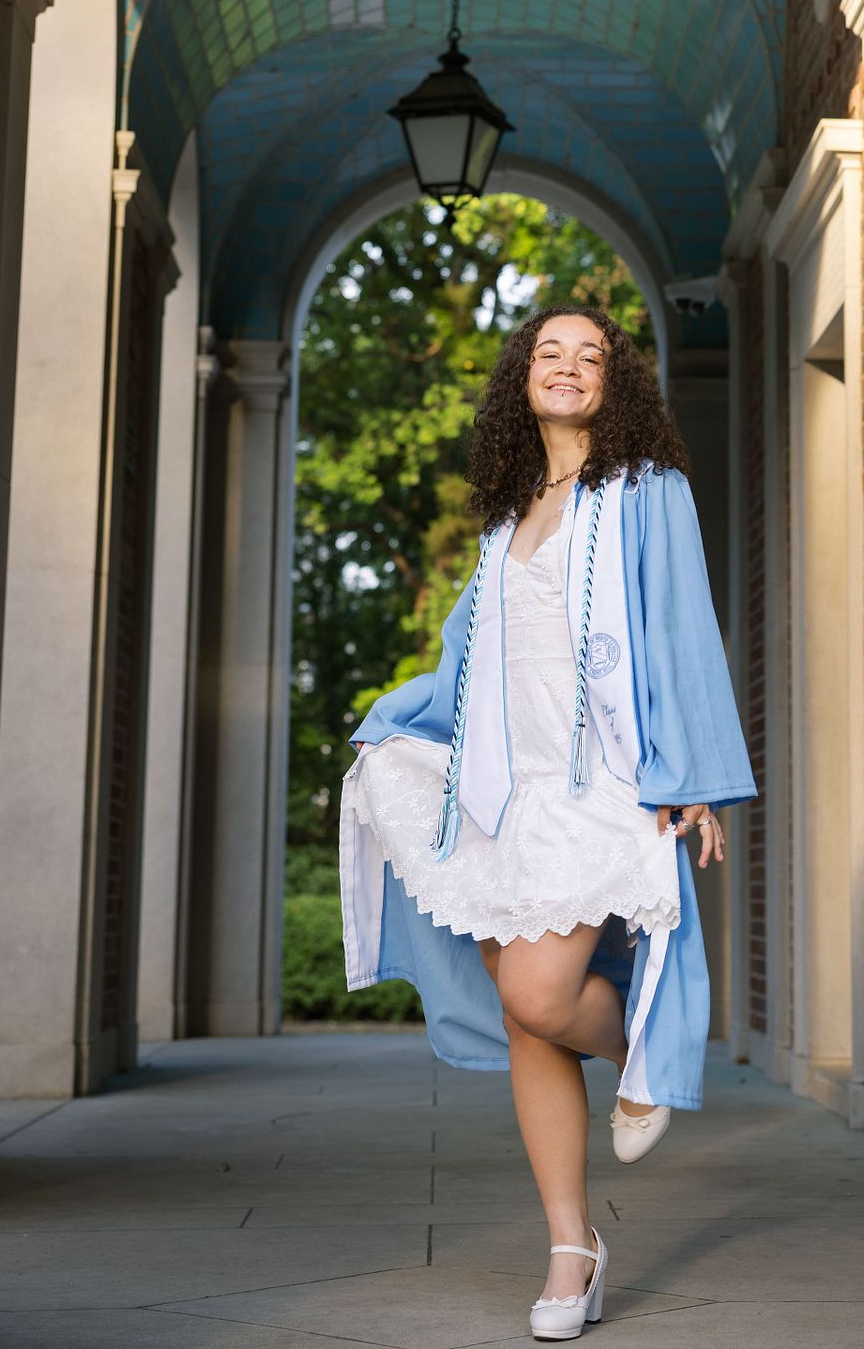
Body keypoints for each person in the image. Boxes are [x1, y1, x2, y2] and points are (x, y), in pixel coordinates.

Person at [338, 305, 756, 1342]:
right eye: (548, 351)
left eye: (590, 354)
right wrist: (396, 722)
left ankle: (643, 1051)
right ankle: (573, 1248)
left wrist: (693, 771)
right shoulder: (505, 508)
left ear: (615, 383)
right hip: (499, 793)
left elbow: (681, 628)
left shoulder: (646, 491)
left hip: (600, 785)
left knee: (539, 987)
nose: (566, 366)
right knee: (529, 1013)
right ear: (522, 376)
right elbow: (468, 664)